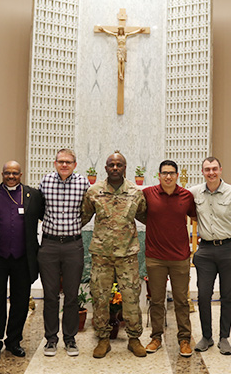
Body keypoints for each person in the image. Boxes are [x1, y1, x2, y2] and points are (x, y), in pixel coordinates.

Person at [81, 151, 147, 358]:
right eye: (111, 165)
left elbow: (146, 216)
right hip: (101, 255)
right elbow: (82, 217)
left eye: (119, 165)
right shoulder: (94, 192)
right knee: (100, 297)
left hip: (127, 255)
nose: (115, 168)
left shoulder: (136, 192)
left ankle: (134, 339)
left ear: (125, 167)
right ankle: (102, 339)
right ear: (106, 168)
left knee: (131, 298)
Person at [0, 161, 45, 362]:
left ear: (21, 174)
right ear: (1, 173)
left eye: (15, 173)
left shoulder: (33, 195)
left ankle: (14, 340)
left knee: (20, 302)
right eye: (7, 173)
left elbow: (46, 217)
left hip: (23, 258)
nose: (11, 176)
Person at [189, 156, 231, 355]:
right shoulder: (195, 193)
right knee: (203, 294)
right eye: (207, 169)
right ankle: (206, 336)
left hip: (229, 248)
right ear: (202, 172)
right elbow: (181, 207)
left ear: (221, 170)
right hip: (206, 250)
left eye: (214, 169)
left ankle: (224, 337)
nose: (211, 173)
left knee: (227, 294)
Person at [142, 159, 197, 357]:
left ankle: (184, 339)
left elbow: (195, 217)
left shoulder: (186, 196)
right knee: (156, 300)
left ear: (176, 175)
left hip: (179, 257)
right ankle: (156, 337)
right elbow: (142, 215)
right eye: (164, 173)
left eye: (172, 173)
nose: (168, 176)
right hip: (155, 257)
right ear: (158, 175)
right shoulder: (148, 194)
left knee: (182, 301)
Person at [38, 149, 89, 357]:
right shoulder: (45, 182)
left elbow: (87, 210)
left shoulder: (83, 183)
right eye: (61, 162)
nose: (64, 165)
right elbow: (38, 209)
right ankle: (51, 339)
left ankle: (70, 339)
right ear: (55, 163)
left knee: (71, 295)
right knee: (50, 295)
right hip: (49, 246)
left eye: (68, 162)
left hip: (72, 246)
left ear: (75, 164)